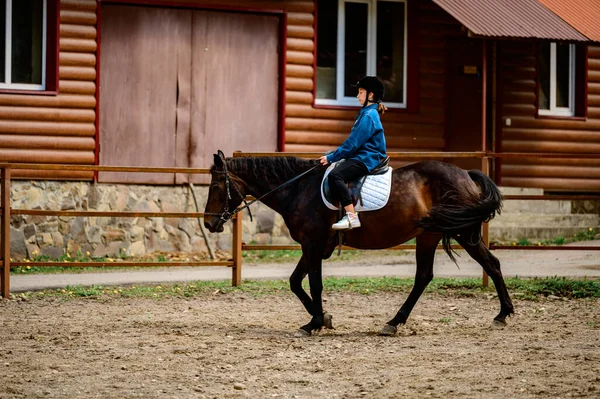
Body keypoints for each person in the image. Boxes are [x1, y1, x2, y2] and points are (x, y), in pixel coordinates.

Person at [319, 76, 388, 230]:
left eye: (360, 92)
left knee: (335, 175)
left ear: (370, 95)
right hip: (361, 156)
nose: (357, 96)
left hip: (366, 159)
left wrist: (331, 157)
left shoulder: (369, 116)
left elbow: (353, 144)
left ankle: (351, 216)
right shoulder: (366, 113)